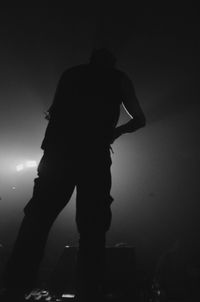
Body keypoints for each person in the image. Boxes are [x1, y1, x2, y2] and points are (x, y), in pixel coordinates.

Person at [1, 48, 146, 301]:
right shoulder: (118, 78)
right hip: (94, 157)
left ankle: (15, 285)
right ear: (112, 61)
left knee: (37, 219)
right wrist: (115, 131)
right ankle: (88, 290)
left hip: (59, 154)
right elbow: (139, 119)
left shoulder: (71, 74)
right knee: (93, 227)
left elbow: (54, 112)